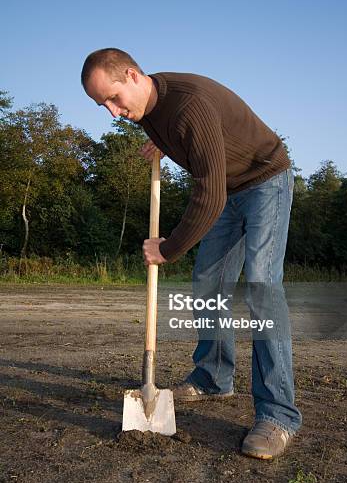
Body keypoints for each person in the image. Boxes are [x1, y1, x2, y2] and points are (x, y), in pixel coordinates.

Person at [81, 47, 302, 459]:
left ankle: (277, 415)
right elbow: (188, 139)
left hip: (264, 180)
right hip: (230, 190)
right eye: (102, 106)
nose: (112, 112)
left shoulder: (187, 106)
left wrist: (169, 248)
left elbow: (209, 192)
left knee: (260, 288)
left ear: (131, 75)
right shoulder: (150, 109)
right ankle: (213, 377)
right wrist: (159, 142)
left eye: (112, 98)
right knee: (208, 283)